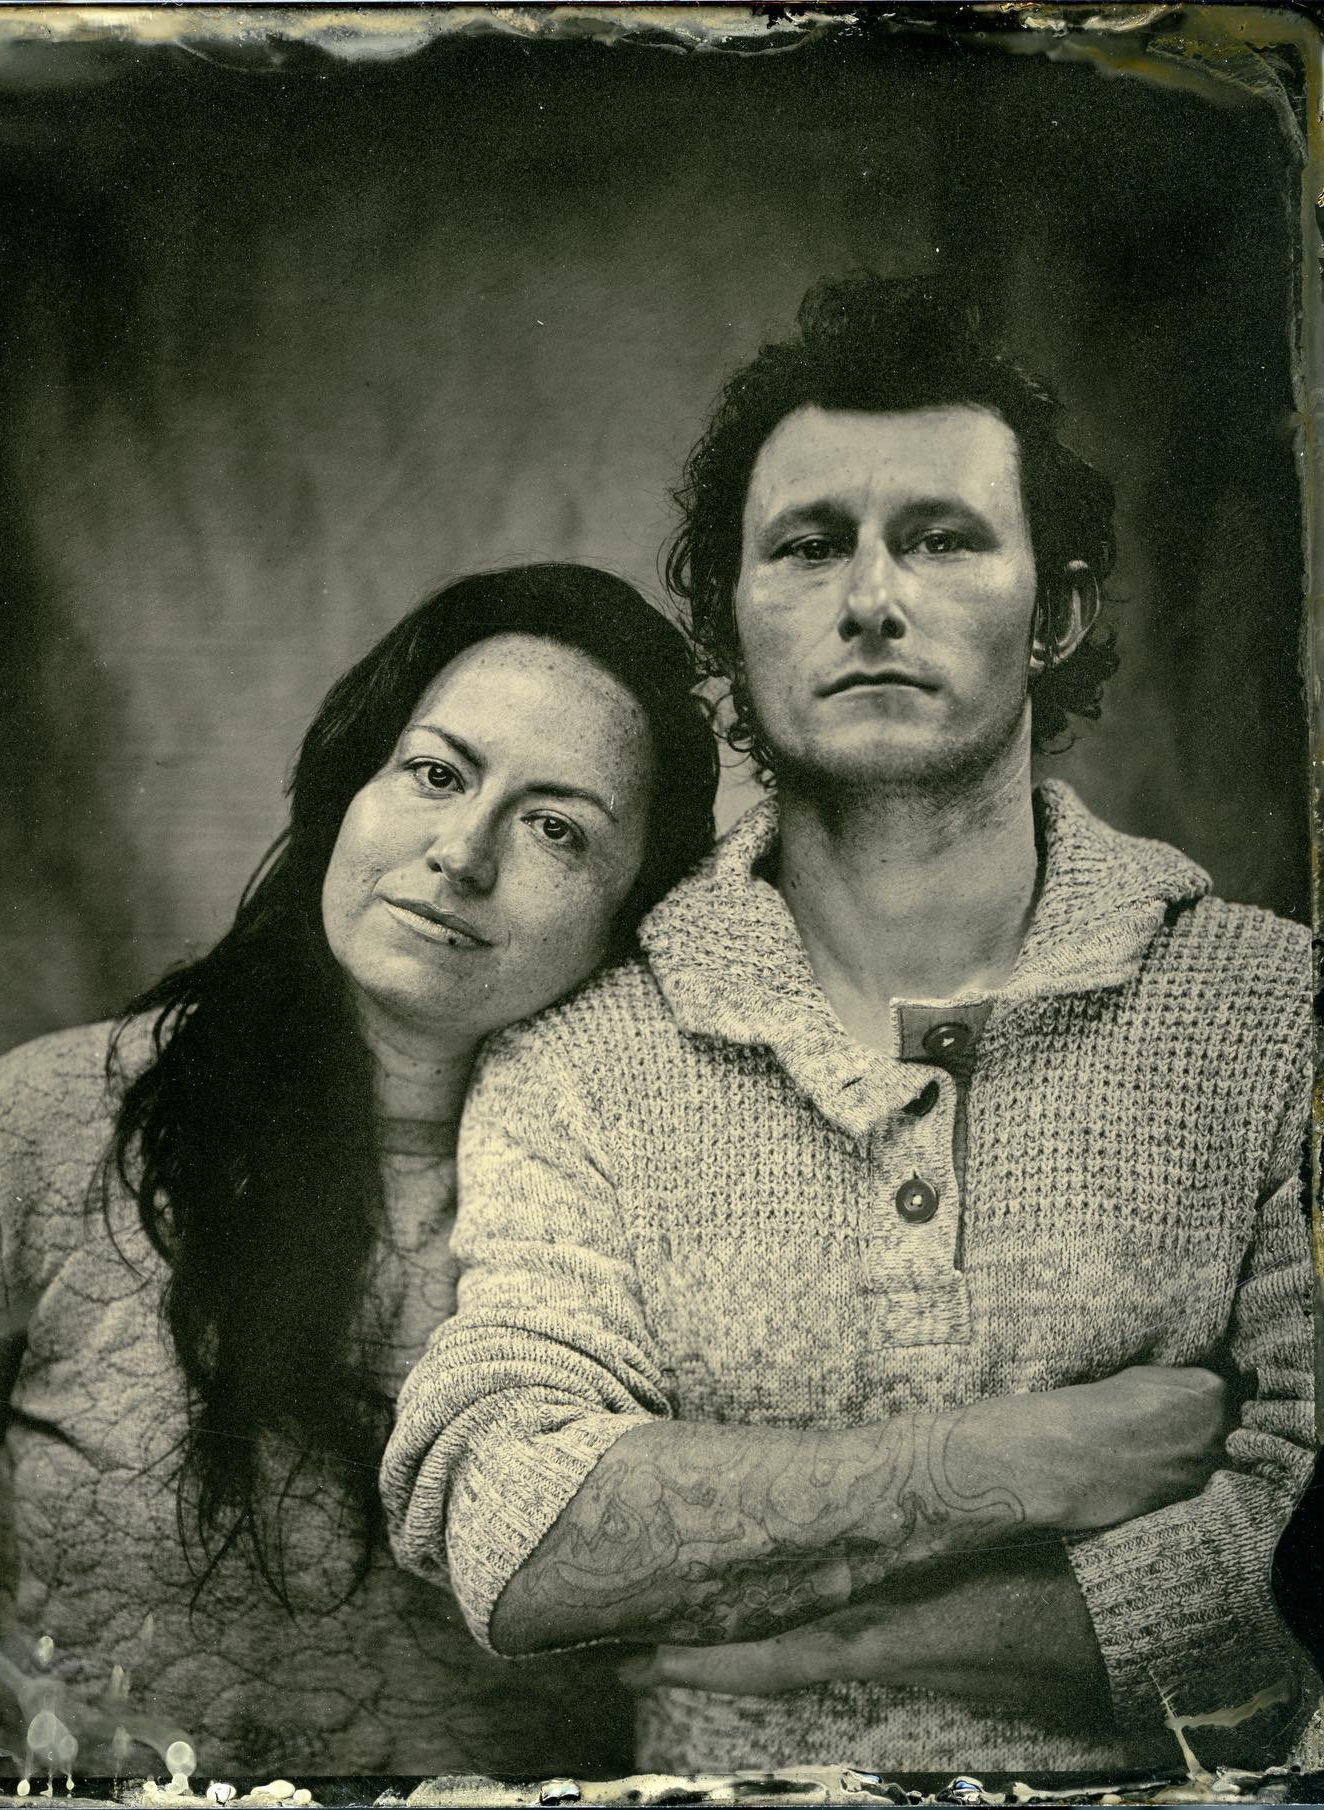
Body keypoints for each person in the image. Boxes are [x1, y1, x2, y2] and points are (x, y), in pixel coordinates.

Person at [382, 280, 1316, 1778]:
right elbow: (509, 1524)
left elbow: (1301, 1553)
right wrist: (987, 1467)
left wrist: (830, 1640)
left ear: (1058, 608)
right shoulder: (582, 1056)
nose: (873, 598)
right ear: (729, 625)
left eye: (942, 538)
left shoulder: (1277, 1014)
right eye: (809, 547)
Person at [0, 563, 719, 1783]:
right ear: (351, 787)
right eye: (437, 773)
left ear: (634, 913)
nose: (462, 852)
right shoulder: (41, 1131)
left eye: (558, 827)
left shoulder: (676, 1209)